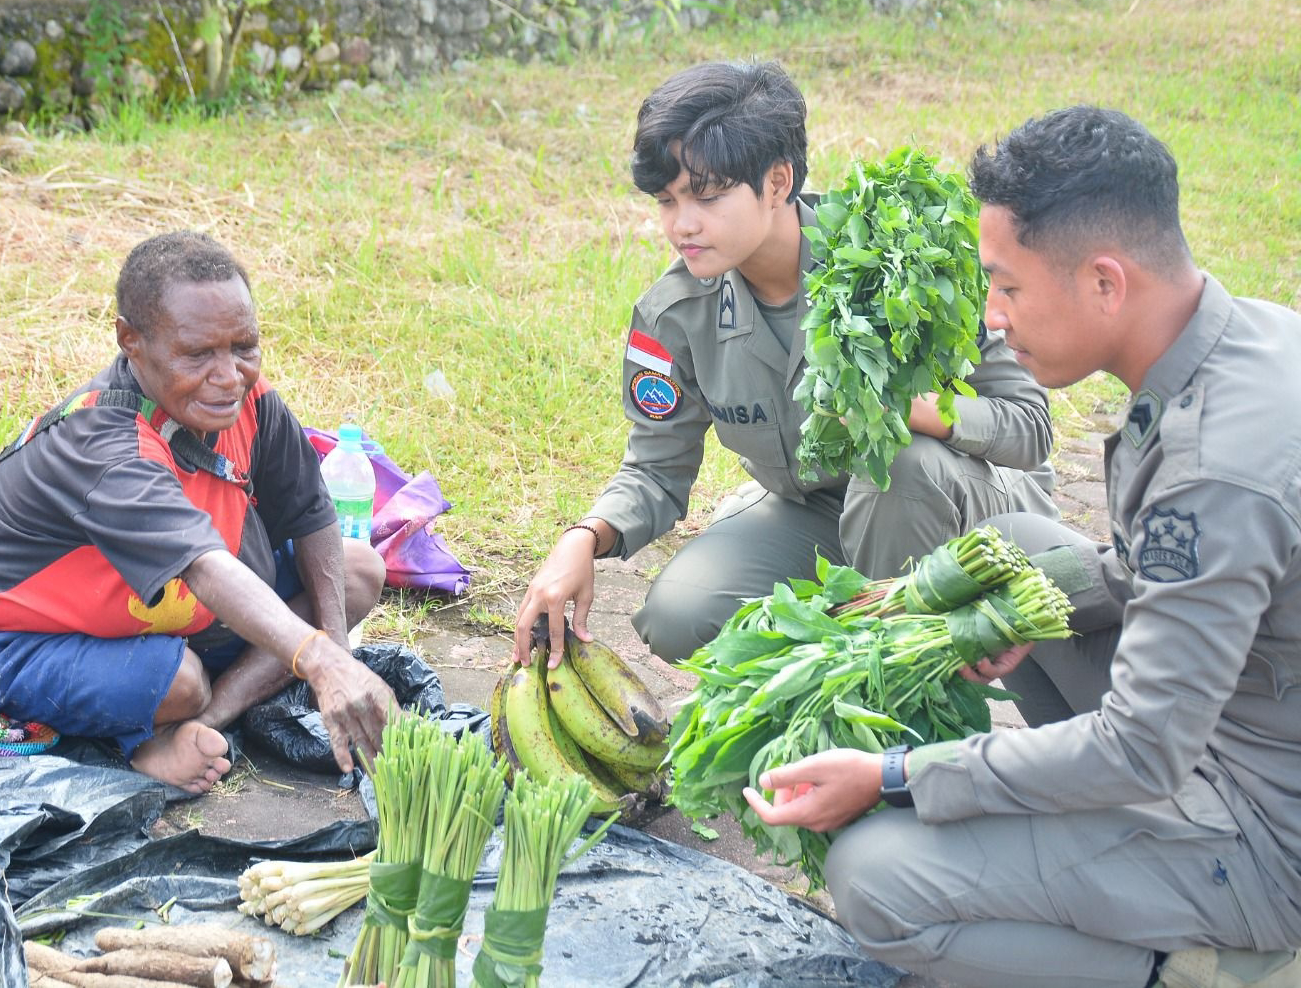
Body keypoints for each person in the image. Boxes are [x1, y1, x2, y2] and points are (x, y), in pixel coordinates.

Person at [743, 107, 1301, 988]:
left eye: (1007, 287)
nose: (994, 320)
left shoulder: (1213, 472)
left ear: (1106, 282)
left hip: (1265, 830)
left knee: (875, 876)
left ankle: (1195, 968)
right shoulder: (1245, 339)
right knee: (1013, 556)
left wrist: (895, 773)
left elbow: (1141, 749)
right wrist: (986, 610)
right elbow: (1164, 570)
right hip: (1249, 711)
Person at [514, 60, 1060, 666]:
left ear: (778, 183)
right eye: (667, 201)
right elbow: (656, 469)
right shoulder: (674, 314)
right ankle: (845, 641)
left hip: (974, 508)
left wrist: (914, 412)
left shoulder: (901, 264)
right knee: (681, 614)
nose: (681, 225)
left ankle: (905, 691)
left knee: (898, 466)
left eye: (707, 195)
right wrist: (582, 539)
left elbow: (1029, 428)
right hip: (822, 509)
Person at [0, 231, 394, 794]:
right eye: (197, 354)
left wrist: (336, 650)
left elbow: (311, 514)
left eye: (244, 346)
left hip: (151, 610)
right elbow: (206, 567)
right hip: (0, 637)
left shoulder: (246, 402)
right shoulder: (109, 447)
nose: (229, 375)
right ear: (130, 340)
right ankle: (151, 735)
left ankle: (205, 721)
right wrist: (321, 661)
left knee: (356, 571)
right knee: (178, 681)